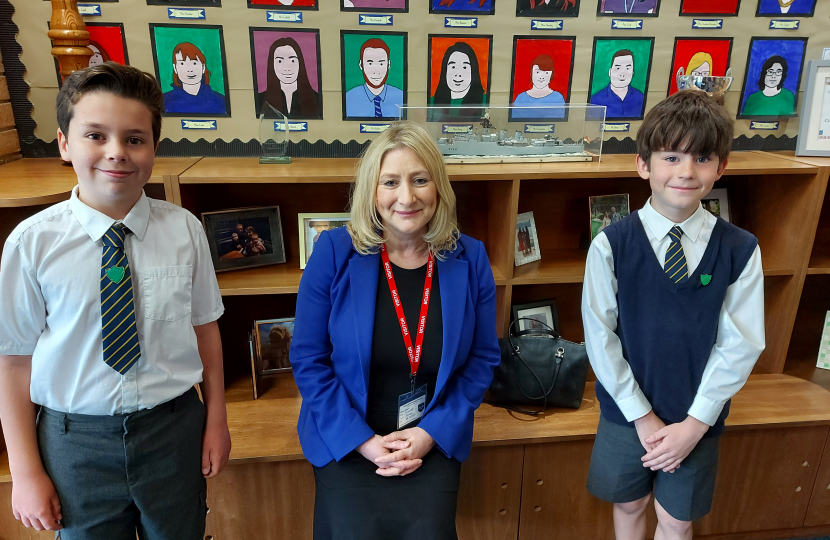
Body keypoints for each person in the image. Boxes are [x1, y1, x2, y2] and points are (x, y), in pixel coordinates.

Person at [0, 62, 231, 539]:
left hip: (172, 430)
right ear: (65, 143)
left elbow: (205, 331)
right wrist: (25, 471)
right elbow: (14, 363)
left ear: (152, 147)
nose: (116, 153)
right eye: (95, 135)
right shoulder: (31, 244)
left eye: (133, 138)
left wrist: (216, 422)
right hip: (75, 443)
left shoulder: (184, 230)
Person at [290, 121, 501, 540]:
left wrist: (429, 434)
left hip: (431, 439)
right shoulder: (334, 253)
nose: (406, 197)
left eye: (419, 180)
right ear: (372, 191)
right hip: (348, 439)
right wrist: (363, 441)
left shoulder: (470, 257)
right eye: (391, 182)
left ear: (438, 187)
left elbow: (482, 360)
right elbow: (308, 360)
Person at [581, 90, 765, 539]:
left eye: (702, 158)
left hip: (695, 417)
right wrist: (641, 416)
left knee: (676, 519)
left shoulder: (740, 249)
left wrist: (694, 424)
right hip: (627, 412)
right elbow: (600, 336)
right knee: (629, 503)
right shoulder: (611, 244)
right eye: (671, 157)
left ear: (721, 167)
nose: (685, 172)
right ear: (644, 165)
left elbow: (741, 343)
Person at [259, 36, 321, 119]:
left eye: (292, 61)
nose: (287, 68)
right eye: (280, 61)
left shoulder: (317, 99)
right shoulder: (261, 100)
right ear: (272, 64)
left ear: (300, 63)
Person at [345, 38, 404, 119]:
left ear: (388, 64)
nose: (376, 71)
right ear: (361, 65)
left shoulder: (401, 97)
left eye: (381, 63)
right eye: (370, 63)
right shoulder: (348, 98)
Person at [163, 42, 227, 115]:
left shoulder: (220, 101)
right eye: (182, 64)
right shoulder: (165, 101)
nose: (190, 69)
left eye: (194, 63)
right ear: (175, 68)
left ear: (203, 67)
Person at [429, 41, 487, 120]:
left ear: (473, 70)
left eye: (464, 67)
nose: (458, 74)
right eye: (453, 67)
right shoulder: (431, 102)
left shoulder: (485, 101)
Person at [590, 49, 645, 119]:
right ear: (610, 72)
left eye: (627, 68)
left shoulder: (641, 98)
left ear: (633, 73)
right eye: (618, 68)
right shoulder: (595, 101)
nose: (622, 74)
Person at [511, 54, 566, 119]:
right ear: (531, 73)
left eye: (546, 73)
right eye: (537, 72)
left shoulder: (558, 98)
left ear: (551, 74)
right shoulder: (520, 98)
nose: (541, 77)